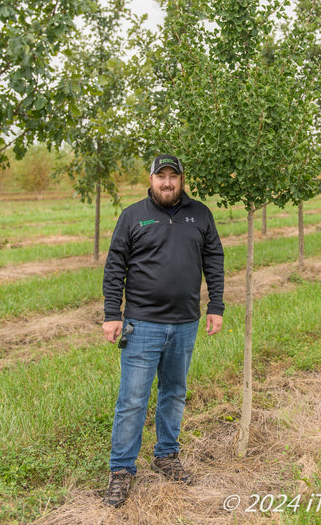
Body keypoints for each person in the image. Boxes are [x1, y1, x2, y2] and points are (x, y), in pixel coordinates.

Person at [101, 154, 224, 507]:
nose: (167, 182)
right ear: (150, 179)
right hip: (142, 325)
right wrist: (113, 313)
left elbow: (213, 259)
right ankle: (121, 470)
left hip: (186, 323)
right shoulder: (132, 215)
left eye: (173, 176)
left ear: (182, 178)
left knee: (174, 392)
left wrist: (216, 305)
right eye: (161, 176)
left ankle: (166, 455)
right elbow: (115, 266)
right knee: (133, 400)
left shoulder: (200, 214)